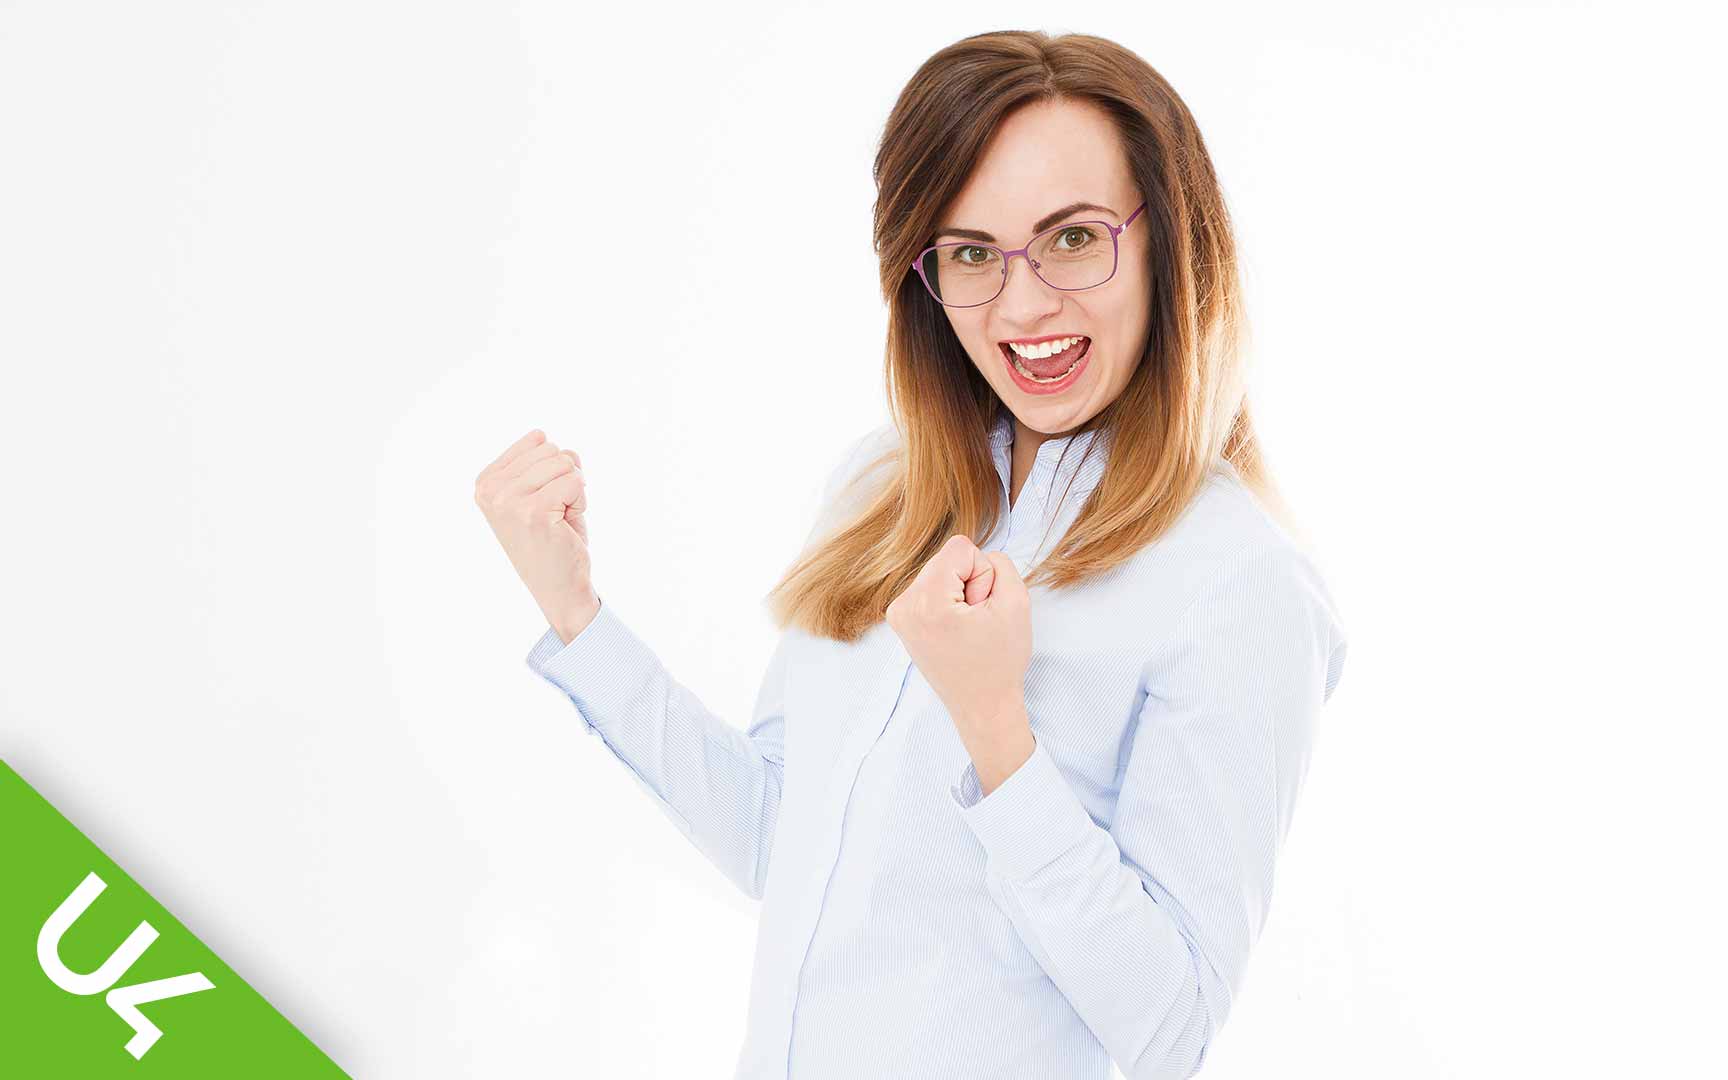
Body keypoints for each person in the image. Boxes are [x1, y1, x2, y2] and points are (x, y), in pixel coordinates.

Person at [475, 28, 1348, 1080]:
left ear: (1171, 239)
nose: (1023, 307)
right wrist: (578, 615)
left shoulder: (1238, 582)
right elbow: (776, 840)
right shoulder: (882, 490)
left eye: (1072, 239)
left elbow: (1168, 1027)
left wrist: (995, 728)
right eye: (973, 254)